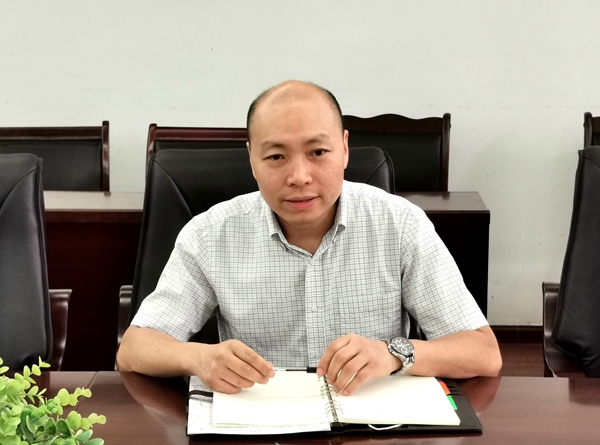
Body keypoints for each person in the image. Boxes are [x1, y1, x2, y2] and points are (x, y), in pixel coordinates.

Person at [117, 80, 502, 395]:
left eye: (318, 151)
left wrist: (393, 354)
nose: (299, 176)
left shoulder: (399, 224)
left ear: (345, 149)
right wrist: (199, 358)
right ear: (251, 158)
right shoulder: (209, 234)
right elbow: (135, 348)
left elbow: (483, 353)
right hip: (259, 427)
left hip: (371, 426)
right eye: (276, 157)